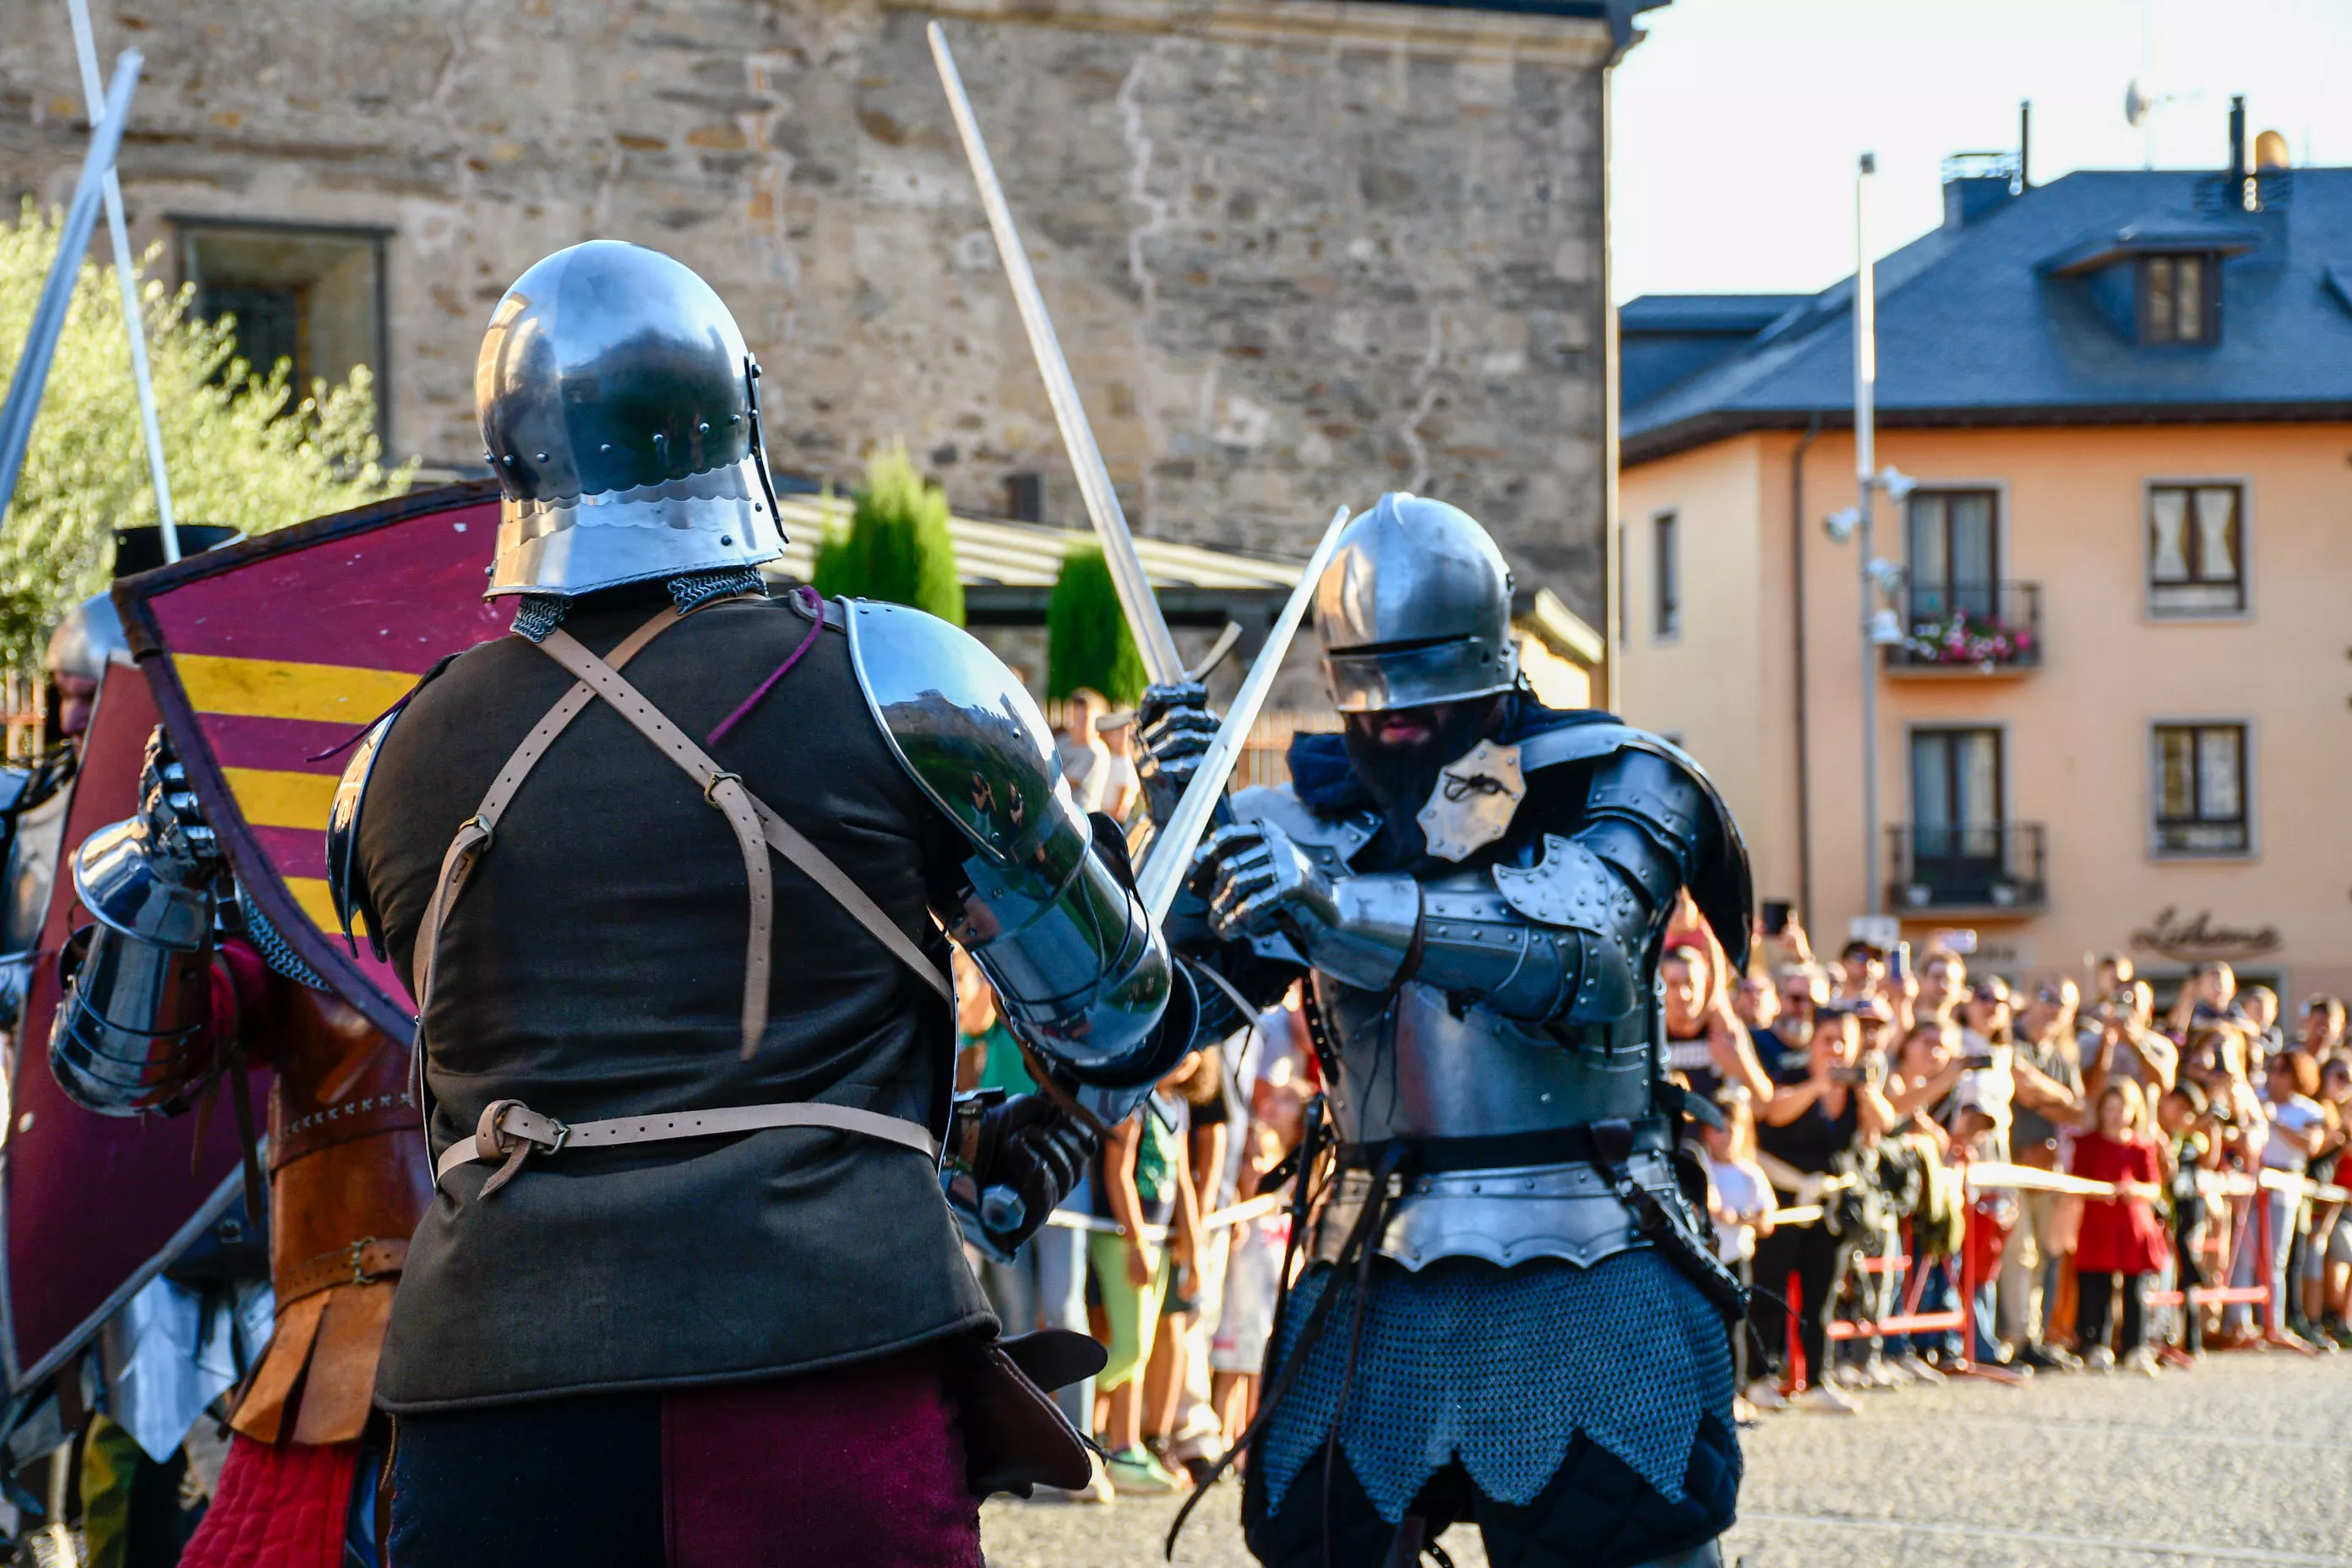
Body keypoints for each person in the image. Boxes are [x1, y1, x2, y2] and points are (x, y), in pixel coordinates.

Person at [332, 242, 1199, 1565]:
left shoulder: (389, 759)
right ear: (738, 412)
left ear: (509, 455)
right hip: (821, 1360)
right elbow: (1117, 1030)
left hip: (492, 1396)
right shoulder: (901, 679)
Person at [1139, 493, 1753, 1567]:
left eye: (1424, 701)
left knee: (1623, 1538)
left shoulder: (1622, 781)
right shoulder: (1307, 821)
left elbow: (1581, 958)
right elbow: (1144, 1022)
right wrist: (1176, 836)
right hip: (1371, 1253)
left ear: (1490, 665)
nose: (1397, 728)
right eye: (1373, 706)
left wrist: (1330, 904)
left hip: (1590, 1247)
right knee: (1317, 1542)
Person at [1752, 1006, 1892, 1414]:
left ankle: (1816, 1378)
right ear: (1812, 1043)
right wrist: (1818, 1085)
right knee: (1770, 1289)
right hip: (1786, 1201)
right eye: (1827, 1039)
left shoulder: (1856, 1088)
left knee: (1821, 1294)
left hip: (1830, 1206)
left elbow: (1883, 1123)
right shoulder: (1793, 1076)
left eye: (1843, 1041)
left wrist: (1864, 1090)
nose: (1835, 1048)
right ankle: (1761, 1376)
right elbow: (1774, 1113)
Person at [1094, 1058, 1205, 1494]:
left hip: (1158, 1239)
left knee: (1138, 1353)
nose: (1192, 1056)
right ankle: (1057, 1414)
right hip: (1124, 1238)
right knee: (1129, 1349)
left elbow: (1182, 1181)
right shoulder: (1134, 1101)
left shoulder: (1178, 1105)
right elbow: (1118, 1172)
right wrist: (1137, 1240)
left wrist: (1193, 1247)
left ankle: (1125, 1449)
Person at [1999, 978, 2085, 1371]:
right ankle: (2016, 1338)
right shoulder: (2010, 1038)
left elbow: (2079, 1110)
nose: (2053, 1009)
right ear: (2031, 998)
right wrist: (2059, 1098)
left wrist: (2050, 1096)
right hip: (2010, 1164)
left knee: (2043, 1256)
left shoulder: (2061, 1053)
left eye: (2063, 1004)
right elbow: (2021, 1087)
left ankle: (2032, 1335)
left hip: (2048, 1168)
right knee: (2020, 1253)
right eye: (2047, 997)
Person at [2069, 1081, 2167, 1375]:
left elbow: (2155, 1187)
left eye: (2121, 1108)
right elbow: (2078, 1181)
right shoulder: (2087, 1144)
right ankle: (2096, 1344)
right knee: (2096, 1287)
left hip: (2133, 1226)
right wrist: (2097, 1191)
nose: (2114, 1115)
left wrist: (2134, 1189)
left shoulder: (2141, 1146)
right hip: (2098, 1224)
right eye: (2109, 1108)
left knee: (2135, 1291)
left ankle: (2135, 1347)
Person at [1702, 1088, 1775, 1423]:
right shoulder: (1701, 1169)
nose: (1725, 1137)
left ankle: (1736, 1392)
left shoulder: (1750, 1173)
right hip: (1707, 1262)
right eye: (1719, 1128)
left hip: (1737, 1260)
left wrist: (1741, 1216)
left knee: (1736, 1329)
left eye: (1732, 1128)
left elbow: (1767, 1220)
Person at [1056, 687, 1114, 814]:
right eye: (1073, 717)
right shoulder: (1062, 743)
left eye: (1084, 719)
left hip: (1080, 819)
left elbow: (1065, 782)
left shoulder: (1095, 752)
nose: (1076, 724)